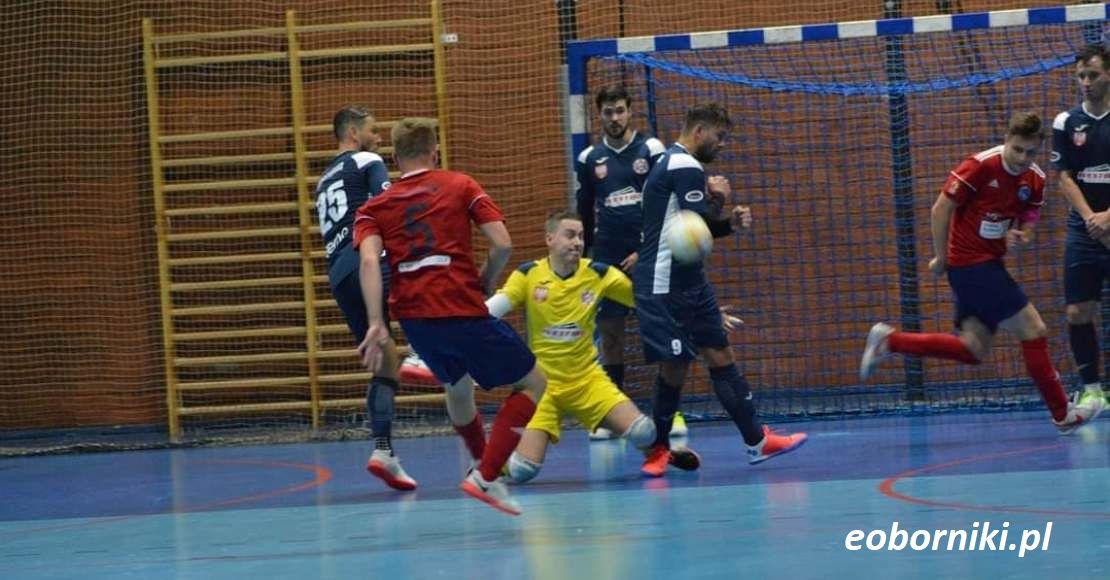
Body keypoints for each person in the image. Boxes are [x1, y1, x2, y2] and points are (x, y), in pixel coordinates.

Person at [861, 112, 1105, 433]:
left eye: (1030, 152)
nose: (1023, 158)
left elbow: (1030, 211)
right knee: (1033, 328)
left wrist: (1024, 232)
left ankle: (891, 341)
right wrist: (941, 257)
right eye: (1017, 149)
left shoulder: (1035, 178)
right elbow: (941, 208)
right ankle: (1063, 414)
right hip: (969, 265)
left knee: (972, 348)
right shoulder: (980, 166)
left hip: (990, 263)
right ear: (1006, 140)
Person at [353, 117, 546, 516]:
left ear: (395, 158)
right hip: (459, 308)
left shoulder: (373, 208)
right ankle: (486, 476)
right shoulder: (461, 185)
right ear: (435, 152)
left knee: (457, 386)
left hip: (415, 321)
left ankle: (479, 460)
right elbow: (502, 244)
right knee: (533, 382)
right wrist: (486, 280)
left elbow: (370, 262)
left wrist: (375, 323)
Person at [632, 103, 807, 477]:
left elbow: (695, 230)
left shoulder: (674, 163)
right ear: (699, 131)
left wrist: (728, 222)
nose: (722, 144)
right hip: (664, 283)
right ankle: (658, 449)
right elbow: (699, 223)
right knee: (675, 366)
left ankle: (757, 440)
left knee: (720, 354)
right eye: (719, 136)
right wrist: (721, 200)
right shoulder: (684, 165)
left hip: (690, 280)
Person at [488, 211, 713, 483]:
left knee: (644, 430)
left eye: (581, 236)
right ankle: (495, 463)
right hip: (542, 387)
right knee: (524, 471)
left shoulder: (599, 273)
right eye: (569, 235)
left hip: (587, 381)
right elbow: (493, 309)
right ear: (549, 239)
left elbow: (648, 303)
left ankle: (659, 451)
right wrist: (461, 324)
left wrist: (701, 315)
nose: (577, 242)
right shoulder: (528, 274)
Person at [314, 106, 414, 491]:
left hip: (339, 275)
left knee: (385, 362)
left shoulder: (324, 179)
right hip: (367, 260)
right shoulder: (367, 161)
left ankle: (383, 450)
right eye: (373, 130)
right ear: (353, 133)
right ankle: (423, 352)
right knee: (427, 287)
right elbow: (390, 207)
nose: (379, 138)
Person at [575, 86, 683, 439]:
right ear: (599, 115)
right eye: (608, 112)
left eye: (620, 110)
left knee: (662, 332)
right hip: (606, 258)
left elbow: (665, 204)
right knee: (610, 335)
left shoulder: (651, 149)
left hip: (647, 255)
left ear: (630, 111)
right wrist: (584, 258)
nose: (615, 118)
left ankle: (670, 414)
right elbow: (584, 212)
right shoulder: (589, 158)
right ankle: (613, 418)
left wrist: (646, 250)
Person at [1053, 43, 1110, 408]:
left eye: (1092, 75)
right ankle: (1091, 389)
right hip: (1085, 229)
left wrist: (1109, 217)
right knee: (1077, 311)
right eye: (1080, 76)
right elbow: (1064, 177)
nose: (1086, 82)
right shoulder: (1066, 122)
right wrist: (1092, 218)